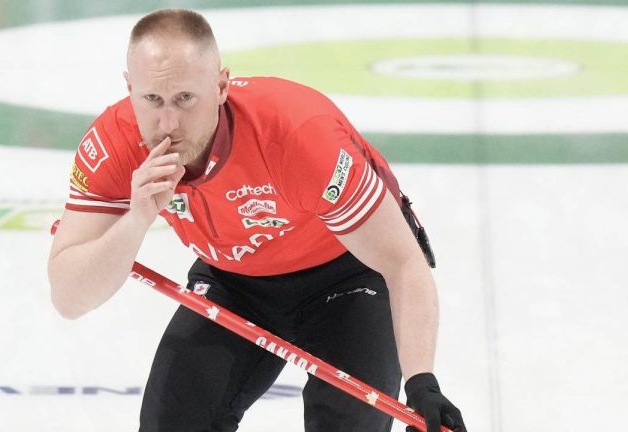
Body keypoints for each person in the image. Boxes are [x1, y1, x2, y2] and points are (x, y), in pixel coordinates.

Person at [48, 8, 466, 432]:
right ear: (129, 88)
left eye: (185, 99)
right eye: (152, 99)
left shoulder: (297, 135)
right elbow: (69, 296)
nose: (168, 124)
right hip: (234, 280)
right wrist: (137, 218)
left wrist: (422, 383)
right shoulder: (113, 144)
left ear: (221, 86)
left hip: (349, 276)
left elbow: (401, 262)